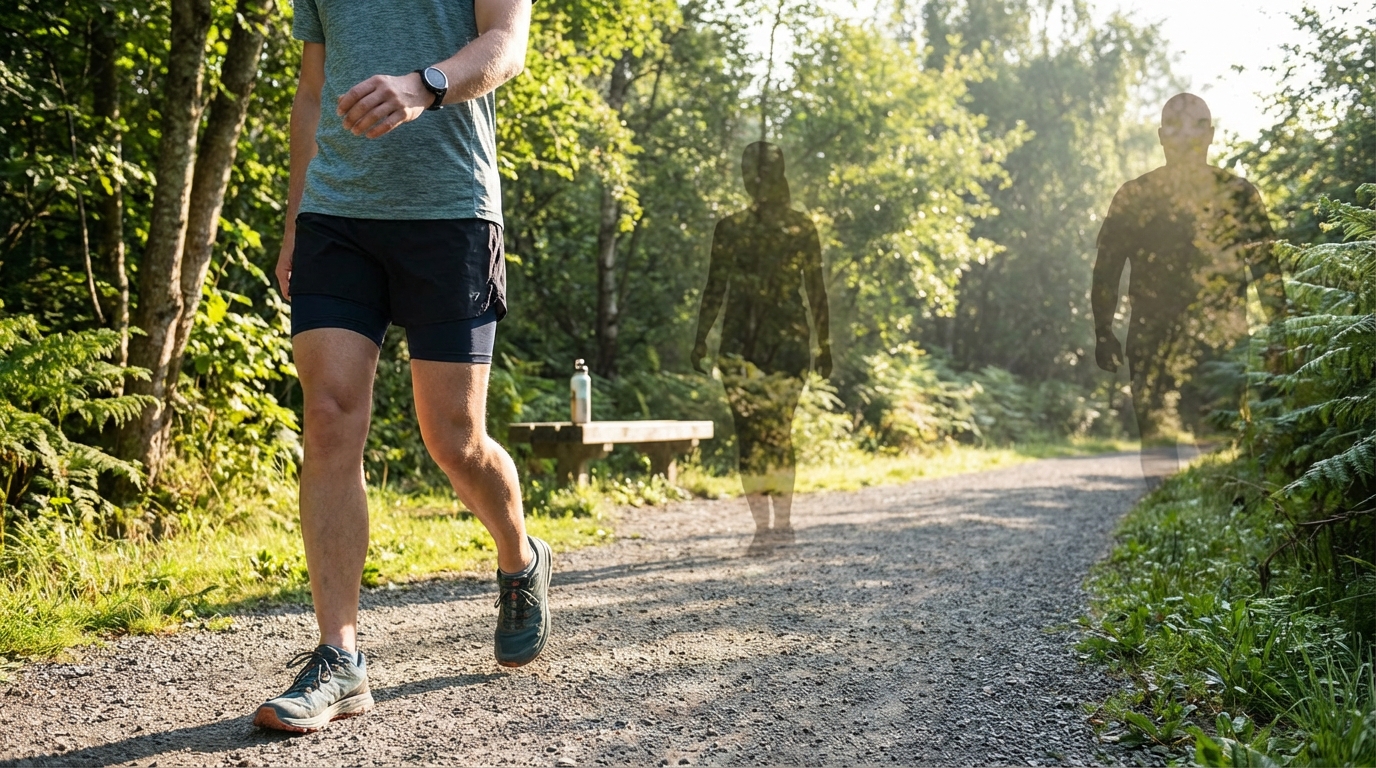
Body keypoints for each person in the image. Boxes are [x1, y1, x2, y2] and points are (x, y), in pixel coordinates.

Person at [255, 0, 551, 733]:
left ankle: (520, 558)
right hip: (336, 214)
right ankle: (339, 659)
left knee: (454, 438)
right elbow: (314, 89)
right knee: (327, 416)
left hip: (451, 212)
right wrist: (295, 220)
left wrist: (424, 85)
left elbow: (506, 46)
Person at [1092, 93, 1285, 488]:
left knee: (1220, 446)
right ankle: (1169, 533)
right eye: (1176, 127)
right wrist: (1102, 331)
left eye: (1196, 125)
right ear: (1161, 136)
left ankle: (1217, 531)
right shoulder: (1134, 195)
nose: (1185, 136)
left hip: (1222, 346)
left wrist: (1281, 337)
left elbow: (1267, 272)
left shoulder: (1239, 194)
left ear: (1211, 134)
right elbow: (1105, 272)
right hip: (1152, 341)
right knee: (1160, 446)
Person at [692, 142, 831, 555]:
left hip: (779, 347)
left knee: (767, 436)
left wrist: (825, 345)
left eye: (757, 171)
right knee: (757, 436)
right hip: (747, 348)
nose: (753, 179)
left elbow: (816, 289)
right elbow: (715, 287)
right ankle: (769, 528)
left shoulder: (796, 227)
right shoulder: (736, 227)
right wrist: (701, 339)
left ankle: (777, 527)